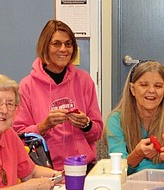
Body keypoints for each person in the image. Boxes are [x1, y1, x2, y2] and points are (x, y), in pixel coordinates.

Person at [14, 19, 104, 170]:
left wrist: (86, 124)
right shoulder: (26, 86)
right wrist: (44, 126)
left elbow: (97, 133)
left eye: (68, 44)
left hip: (82, 166)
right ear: (45, 46)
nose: (63, 49)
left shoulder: (84, 81)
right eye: (56, 43)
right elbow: (18, 137)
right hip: (45, 169)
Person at [105, 59, 164, 173]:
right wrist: (137, 154)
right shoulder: (116, 120)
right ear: (132, 89)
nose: (151, 90)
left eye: (158, 86)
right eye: (144, 85)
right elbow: (118, 169)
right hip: (131, 186)